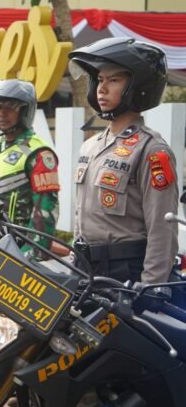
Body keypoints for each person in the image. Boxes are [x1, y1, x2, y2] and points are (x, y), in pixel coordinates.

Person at [69, 37, 177, 285]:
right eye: (99, 79)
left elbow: (162, 229)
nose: (101, 88)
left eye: (114, 80)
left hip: (126, 274)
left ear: (137, 86)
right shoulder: (91, 146)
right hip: (85, 269)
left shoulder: (152, 150)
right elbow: (81, 217)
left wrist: (151, 287)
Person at [0, 79, 60, 259]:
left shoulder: (38, 153)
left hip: (16, 247)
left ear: (25, 111)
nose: (2, 113)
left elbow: (45, 213)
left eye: (10, 107)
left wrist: (32, 255)